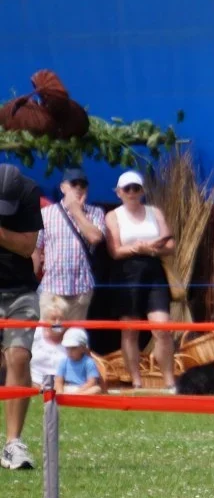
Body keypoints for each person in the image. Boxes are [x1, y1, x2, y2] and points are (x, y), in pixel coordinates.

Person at [104, 171, 177, 391]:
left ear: (143, 191)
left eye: (136, 188)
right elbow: (114, 251)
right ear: (119, 192)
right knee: (130, 329)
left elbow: (170, 244)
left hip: (153, 270)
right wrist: (137, 248)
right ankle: (136, 381)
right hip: (127, 272)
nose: (132, 193)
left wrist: (152, 250)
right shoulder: (113, 216)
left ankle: (169, 381)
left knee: (162, 328)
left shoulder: (154, 211)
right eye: (127, 189)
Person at [0, 164, 44, 470]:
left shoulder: (28, 193)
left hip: (20, 290)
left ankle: (13, 444)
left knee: (18, 356)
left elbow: (27, 245)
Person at [35, 167, 106, 320]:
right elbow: (35, 248)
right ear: (63, 187)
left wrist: (76, 211)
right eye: (74, 184)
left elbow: (95, 237)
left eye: (83, 185)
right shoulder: (46, 213)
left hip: (81, 290)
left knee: (74, 340)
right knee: (49, 340)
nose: (79, 188)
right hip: (51, 289)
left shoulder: (96, 213)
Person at [30, 297, 68, 389]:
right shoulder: (35, 333)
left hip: (61, 386)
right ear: (45, 320)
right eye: (54, 319)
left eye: (61, 319)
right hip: (33, 383)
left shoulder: (71, 338)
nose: (57, 322)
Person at [54, 328, 105, 395]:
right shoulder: (64, 361)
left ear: (83, 348)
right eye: (67, 348)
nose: (70, 352)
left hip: (83, 389)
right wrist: (60, 391)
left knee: (96, 389)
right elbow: (58, 380)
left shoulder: (88, 362)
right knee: (53, 387)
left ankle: (75, 397)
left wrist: (78, 391)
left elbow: (92, 381)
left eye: (73, 348)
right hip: (67, 387)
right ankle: (66, 397)